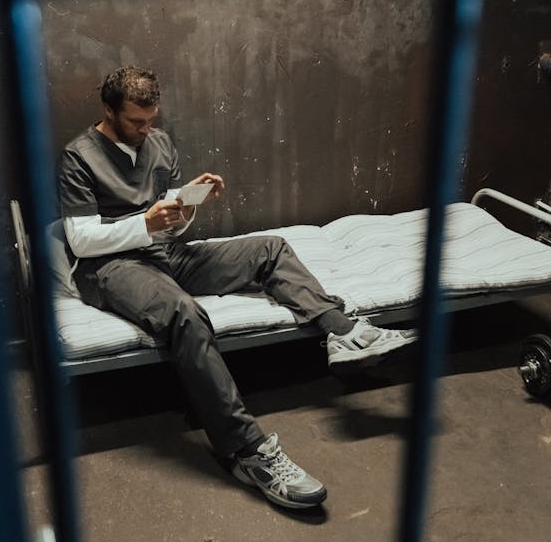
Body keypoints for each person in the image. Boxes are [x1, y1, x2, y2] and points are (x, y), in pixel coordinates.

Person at [56, 65, 417, 511]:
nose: (146, 130)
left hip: (164, 253)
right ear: (108, 110)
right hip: (111, 267)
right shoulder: (78, 156)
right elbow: (80, 239)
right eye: (135, 121)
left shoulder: (159, 142)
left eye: (151, 120)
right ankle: (247, 451)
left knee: (270, 248)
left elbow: (171, 218)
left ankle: (343, 333)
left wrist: (189, 202)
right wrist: (143, 223)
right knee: (183, 313)